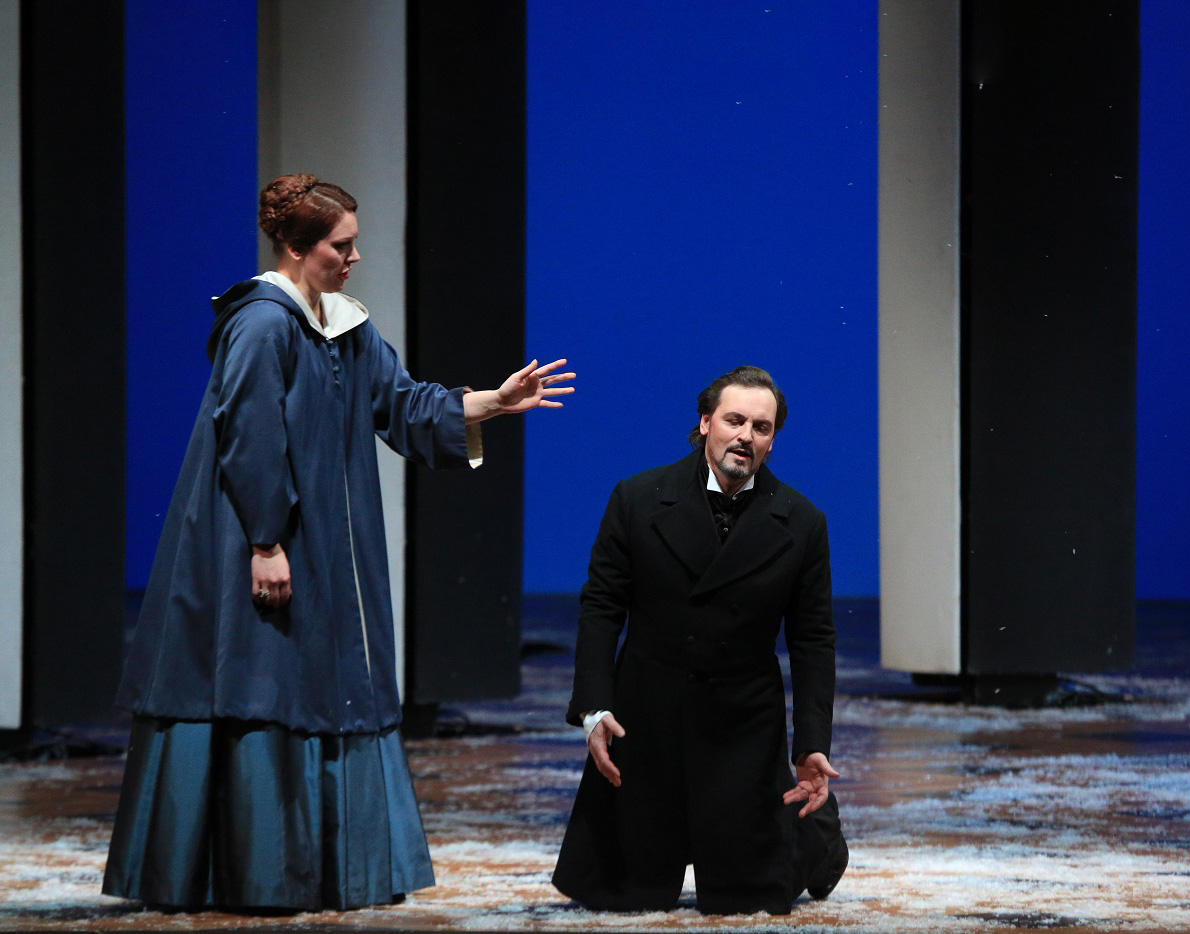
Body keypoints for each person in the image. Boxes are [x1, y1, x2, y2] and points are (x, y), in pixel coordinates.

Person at [102, 174, 573, 911]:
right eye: (340, 246)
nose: (354, 259)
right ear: (296, 248)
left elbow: (401, 404)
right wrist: (265, 542)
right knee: (261, 683)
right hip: (258, 540)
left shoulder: (343, 325)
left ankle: (324, 870)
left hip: (323, 542)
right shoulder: (263, 325)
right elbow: (249, 438)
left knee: (320, 680)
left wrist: (492, 402)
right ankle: (258, 873)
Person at [551, 366, 847, 916]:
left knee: (748, 901)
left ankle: (816, 841)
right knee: (626, 898)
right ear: (706, 422)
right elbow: (602, 607)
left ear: (772, 440)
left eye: (761, 427)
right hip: (647, 718)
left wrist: (811, 743)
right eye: (734, 421)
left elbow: (812, 640)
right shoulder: (638, 499)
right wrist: (593, 707)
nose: (746, 436)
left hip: (742, 724)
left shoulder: (803, 521)